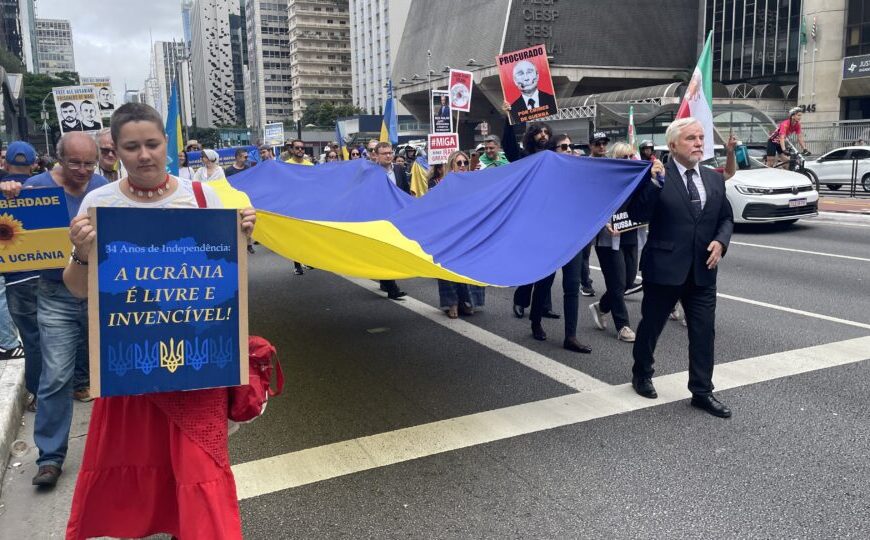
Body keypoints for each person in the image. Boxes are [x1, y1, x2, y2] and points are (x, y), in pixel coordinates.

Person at [62, 102, 255, 539]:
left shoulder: (204, 197)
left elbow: (225, 282)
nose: (144, 155)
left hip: (197, 363)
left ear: (167, 144)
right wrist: (80, 251)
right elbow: (76, 288)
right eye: (132, 147)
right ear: (115, 150)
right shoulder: (99, 203)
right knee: (144, 466)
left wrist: (241, 236)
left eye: (152, 144)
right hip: (129, 362)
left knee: (197, 466)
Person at [0, 132, 109, 487]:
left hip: (99, 290)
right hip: (54, 292)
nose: (82, 170)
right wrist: (9, 197)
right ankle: (50, 457)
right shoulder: (33, 188)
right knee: (56, 376)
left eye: (88, 163)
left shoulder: (102, 186)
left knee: (113, 372)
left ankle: (120, 455)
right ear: (57, 158)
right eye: (73, 162)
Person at [628, 117, 733, 418]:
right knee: (651, 325)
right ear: (673, 145)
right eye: (691, 138)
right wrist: (653, 183)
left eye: (701, 138)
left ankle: (702, 391)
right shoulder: (658, 174)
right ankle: (642, 373)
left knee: (703, 332)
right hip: (664, 267)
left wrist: (721, 242)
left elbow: (725, 217)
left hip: (703, 271)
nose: (699, 143)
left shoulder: (713, 178)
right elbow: (637, 213)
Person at [500, 101, 560, 324]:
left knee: (550, 266)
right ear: (532, 136)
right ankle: (521, 300)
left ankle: (544, 305)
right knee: (533, 265)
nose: (543, 135)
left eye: (546, 132)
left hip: (550, 220)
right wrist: (509, 117)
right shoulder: (523, 157)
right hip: (528, 219)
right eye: (539, 132)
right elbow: (508, 145)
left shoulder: (556, 159)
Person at [589, 142, 641, 343]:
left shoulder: (638, 179)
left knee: (628, 281)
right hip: (608, 238)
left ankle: (601, 307)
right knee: (617, 283)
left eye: (630, 157)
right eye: (623, 158)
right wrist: (604, 222)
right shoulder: (604, 181)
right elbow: (593, 205)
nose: (628, 161)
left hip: (630, 233)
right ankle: (623, 326)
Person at [1, 143, 38, 413]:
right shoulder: (46, 187)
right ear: (35, 163)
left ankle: (38, 393)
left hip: (16, 278)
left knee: (34, 339)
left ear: (5, 163)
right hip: (52, 275)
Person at [435, 151, 485, 318]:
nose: (463, 165)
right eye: (459, 163)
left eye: (465, 162)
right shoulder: (443, 186)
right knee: (448, 270)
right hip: (449, 234)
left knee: (469, 268)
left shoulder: (474, 184)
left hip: (469, 233)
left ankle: (468, 301)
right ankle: (452, 303)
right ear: (452, 166)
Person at [373, 141, 408, 300]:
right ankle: (392, 287)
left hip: (397, 216)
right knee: (384, 250)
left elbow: (405, 191)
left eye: (390, 152)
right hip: (380, 218)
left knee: (393, 249)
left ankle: (385, 280)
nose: (388, 155)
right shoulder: (372, 173)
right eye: (384, 153)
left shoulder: (400, 170)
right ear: (376, 156)